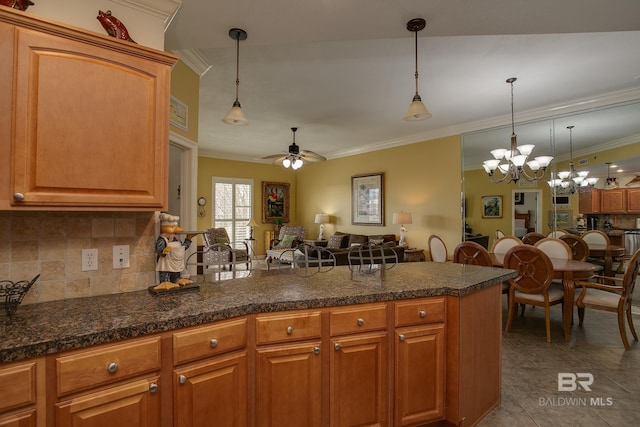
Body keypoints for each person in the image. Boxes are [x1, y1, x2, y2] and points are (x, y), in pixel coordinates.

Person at [155, 213, 196, 283]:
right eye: (173, 227)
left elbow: (182, 248)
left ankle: (177, 281)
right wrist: (163, 251)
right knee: (166, 276)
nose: (176, 229)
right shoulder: (163, 239)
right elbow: (158, 250)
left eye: (176, 226)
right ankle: (165, 283)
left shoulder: (177, 238)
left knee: (176, 276)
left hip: (177, 265)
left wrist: (188, 239)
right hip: (166, 265)